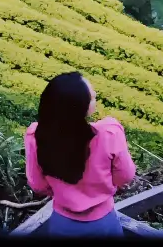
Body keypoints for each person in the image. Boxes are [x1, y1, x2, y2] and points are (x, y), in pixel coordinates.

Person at [24, 72, 136, 237]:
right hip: (104, 224)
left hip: (61, 224)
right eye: (91, 97)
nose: (95, 95)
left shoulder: (37, 136)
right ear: (80, 107)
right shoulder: (108, 133)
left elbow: (38, 185)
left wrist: (64, 191)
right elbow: (125, 176)